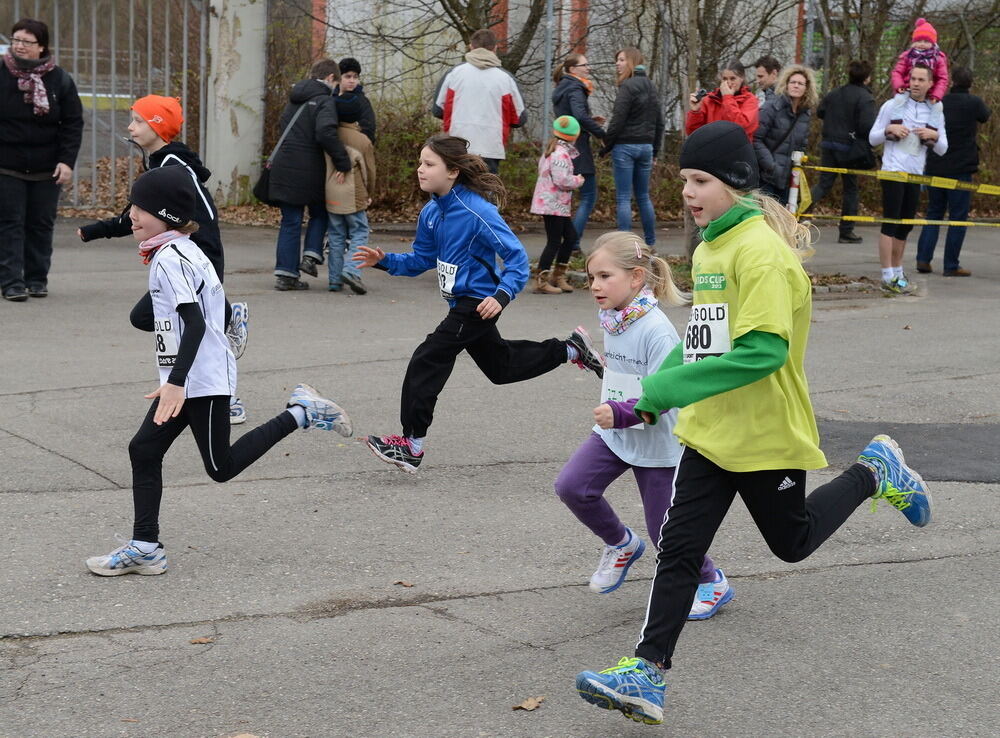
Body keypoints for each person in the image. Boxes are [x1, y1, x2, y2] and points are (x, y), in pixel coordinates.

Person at [573, 121, 932, 725]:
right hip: (710, 432)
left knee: (791, 544)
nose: (687, 192)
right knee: (678, 548)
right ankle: (646, 673)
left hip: (765, 432)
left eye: (700, 180)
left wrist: (662, 388)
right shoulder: (710, 247)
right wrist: (650, 400)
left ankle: (875, 471)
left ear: (735, 182)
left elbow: (762, 351)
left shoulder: (760, 254)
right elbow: (704, 342)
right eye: (684, 179)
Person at [84, 165, 353, 577]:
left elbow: (194, 325)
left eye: (140, 208)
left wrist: (175, 383)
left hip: (202, 380)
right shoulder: (184, 249)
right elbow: (180, 313)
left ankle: (302, 412)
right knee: (144, 449)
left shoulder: (170, 260)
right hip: (186, 377)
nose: (131, 215)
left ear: (167, 215)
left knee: (220, 467)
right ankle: (146, 547)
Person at [353, 134, 606, 473]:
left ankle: (411, 446)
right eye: (419, 163)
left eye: (429, 164)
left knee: (428, 357)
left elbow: (516, 259)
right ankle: (571, 350)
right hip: (460, 302)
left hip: (477, 304)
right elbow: (421, 259)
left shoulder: (477, 211)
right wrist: (385, 261)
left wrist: (501, 295)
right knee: (501, 368)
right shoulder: (431, 213)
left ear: (452, 171)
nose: (420, 170)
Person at [554, 231, 732, 619]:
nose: (595, 286)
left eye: (605, 276)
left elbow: (666, 393)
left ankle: (711, 581)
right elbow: (625, 373)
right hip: (617, 433)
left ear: (636, 278)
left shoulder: (656, 330)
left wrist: (620, 413)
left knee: (664, 531)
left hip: (656, 442)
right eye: (592, 277)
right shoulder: (614, 317)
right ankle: (621, 544)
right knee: (572, 486)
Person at [77, 95, 251, 425]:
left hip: (196, 261)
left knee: (179, 324)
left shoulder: (174, 167)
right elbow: (140, 215)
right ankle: (221, 334)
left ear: (158, 126)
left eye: (139, 120)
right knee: (173, 324)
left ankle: (226, 395)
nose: (131, 126)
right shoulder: (162, 163)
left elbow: (203, 218)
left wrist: (205, 268)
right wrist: (96, 231)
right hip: (186, 259)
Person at [0, 18, 83, 302]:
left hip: (47, 167)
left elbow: (72, 123)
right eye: (16, 40)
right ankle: (11, 282)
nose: (19, 46)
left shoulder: (59, 80)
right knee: (10, 223)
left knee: (40, 224)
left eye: (27, 41)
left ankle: (36, 279)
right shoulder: (2, 74)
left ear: (42, 47)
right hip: (6, 165)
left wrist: (67, 161)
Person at [268, 59, 351, 291]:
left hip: (284, 165)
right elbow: (325, 132)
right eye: (336, 84)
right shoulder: (324, 100)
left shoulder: (294, 99)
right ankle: (311, 255)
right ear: (331, 78)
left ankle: (286, 275)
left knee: (290, 220)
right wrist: (342, 161)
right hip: (310, 169)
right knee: (321, 211)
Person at [869, 63, 947, 294]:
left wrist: (933, 135)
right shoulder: (893, 105)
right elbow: (872, 138)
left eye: (921, 80)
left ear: (930, 83)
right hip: (893, 170)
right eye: (912, 79)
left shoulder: (935, 110)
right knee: (891, 222)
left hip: (915, 173)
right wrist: (888, 131)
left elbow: (943, 148)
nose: (915, 83)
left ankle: (898, 271)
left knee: (905, 225)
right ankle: (887, 274)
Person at [915, 66, 991, 277]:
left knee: (934, 213)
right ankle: (951, 264)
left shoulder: (939, 103)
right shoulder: (974, 102)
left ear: (950, 82)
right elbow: (986, 116)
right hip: (961, 167)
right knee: (958, 217)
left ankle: (923, 258)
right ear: (970, 83)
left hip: (936, 164)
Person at [432, 29, 526, 174]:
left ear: (471, 47)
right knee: (486, 187)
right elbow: (519, 118)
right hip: (491, 147)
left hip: (457, 145)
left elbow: (438, 109)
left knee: (457, 186)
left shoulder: (454, 74)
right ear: (495, 48)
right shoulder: (506, 79)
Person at [808, 60, 877, 244]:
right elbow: (867, 126)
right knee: (851, 189)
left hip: (828, 145)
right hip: (850, 149)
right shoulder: (865, 98)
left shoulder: (835, 93)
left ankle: (799, 212)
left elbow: (820, 111)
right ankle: (846, 231)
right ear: (867, 78)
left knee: (823, 184)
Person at [601, 48, 664, 247]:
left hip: (625, 147)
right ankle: (651, 244)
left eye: (621, 60)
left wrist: (606, 145)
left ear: (631, 62)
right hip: (646, 147)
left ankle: (625, 246)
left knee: (623, 198)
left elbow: (618, 119)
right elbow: (660, 122)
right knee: (643, 197)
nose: (617, 64)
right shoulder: (651, 86)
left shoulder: (627, 87)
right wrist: (655, 150)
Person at [552, 53, 606, 250]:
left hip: (563, 145)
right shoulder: (576, 88)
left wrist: (590, 120)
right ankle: (572, 243)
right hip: (578, 148)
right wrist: (601, 133)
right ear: (573, 69)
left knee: (565, 198)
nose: (588, 68)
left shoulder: (562, 87)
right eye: (584, 65)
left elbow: (571, 117)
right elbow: (579, 116)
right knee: (589, 196)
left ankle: (565, 241)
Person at [530, 116, 585, 295]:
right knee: (554, 241)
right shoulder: (560, 154)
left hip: (556, 205)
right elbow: (562, 180)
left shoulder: (554, 150)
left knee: (570, 237)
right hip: (552, 204)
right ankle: (542, 280)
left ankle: (558, 275)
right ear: (574, 136)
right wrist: (578, 180)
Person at [322, 117, 375, 294]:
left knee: (336, 235)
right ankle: (351, 270)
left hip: (331, 193)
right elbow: (369, 171)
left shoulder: (328, 135)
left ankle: (334, 279)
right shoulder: (362, 140)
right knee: (360, 231)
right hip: (353, 195)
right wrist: (369, 193)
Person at [753, 64, 818, 204]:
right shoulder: (772, 107)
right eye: (793, 82)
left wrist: (798, 163)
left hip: (787, 179)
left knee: (781, 215)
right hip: (765, 177)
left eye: (800, 83)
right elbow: (756, 138)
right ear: (786, 84)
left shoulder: (805, 114)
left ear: (807, 88)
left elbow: (802, 143)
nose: (796, 86)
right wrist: (771, 166)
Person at [685, 59, 759, 141]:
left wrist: (728, 98)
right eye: (725, 79)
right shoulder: (709, 100)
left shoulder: (750, 100)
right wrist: (695, 112)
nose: (728, 83)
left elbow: (740, 129)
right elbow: (693, 135)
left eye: (733, 79)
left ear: (742, 78)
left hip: (737, 148)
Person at [333, 57, 376, 143]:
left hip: (354, 144)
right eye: (348, 77)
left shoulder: (362, 101)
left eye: (355, 77)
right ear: (339, 77)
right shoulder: (330, 97)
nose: (352, 81)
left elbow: (369, 129)